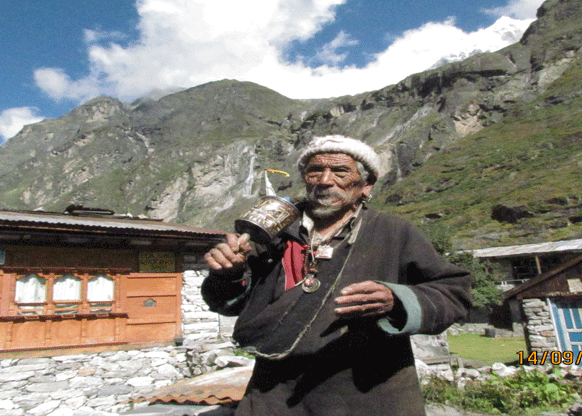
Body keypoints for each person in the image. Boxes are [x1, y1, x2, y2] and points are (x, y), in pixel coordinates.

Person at [202, 135, 472, 416]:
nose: (324, 180)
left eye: (340, 171)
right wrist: (228, 274)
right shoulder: (273, 234)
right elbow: (226, 304)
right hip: (274, 393)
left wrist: (397, 299)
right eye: (314, 171)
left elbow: (454, 292)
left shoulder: (394, 232)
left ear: (366, 186)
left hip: (369, 393)